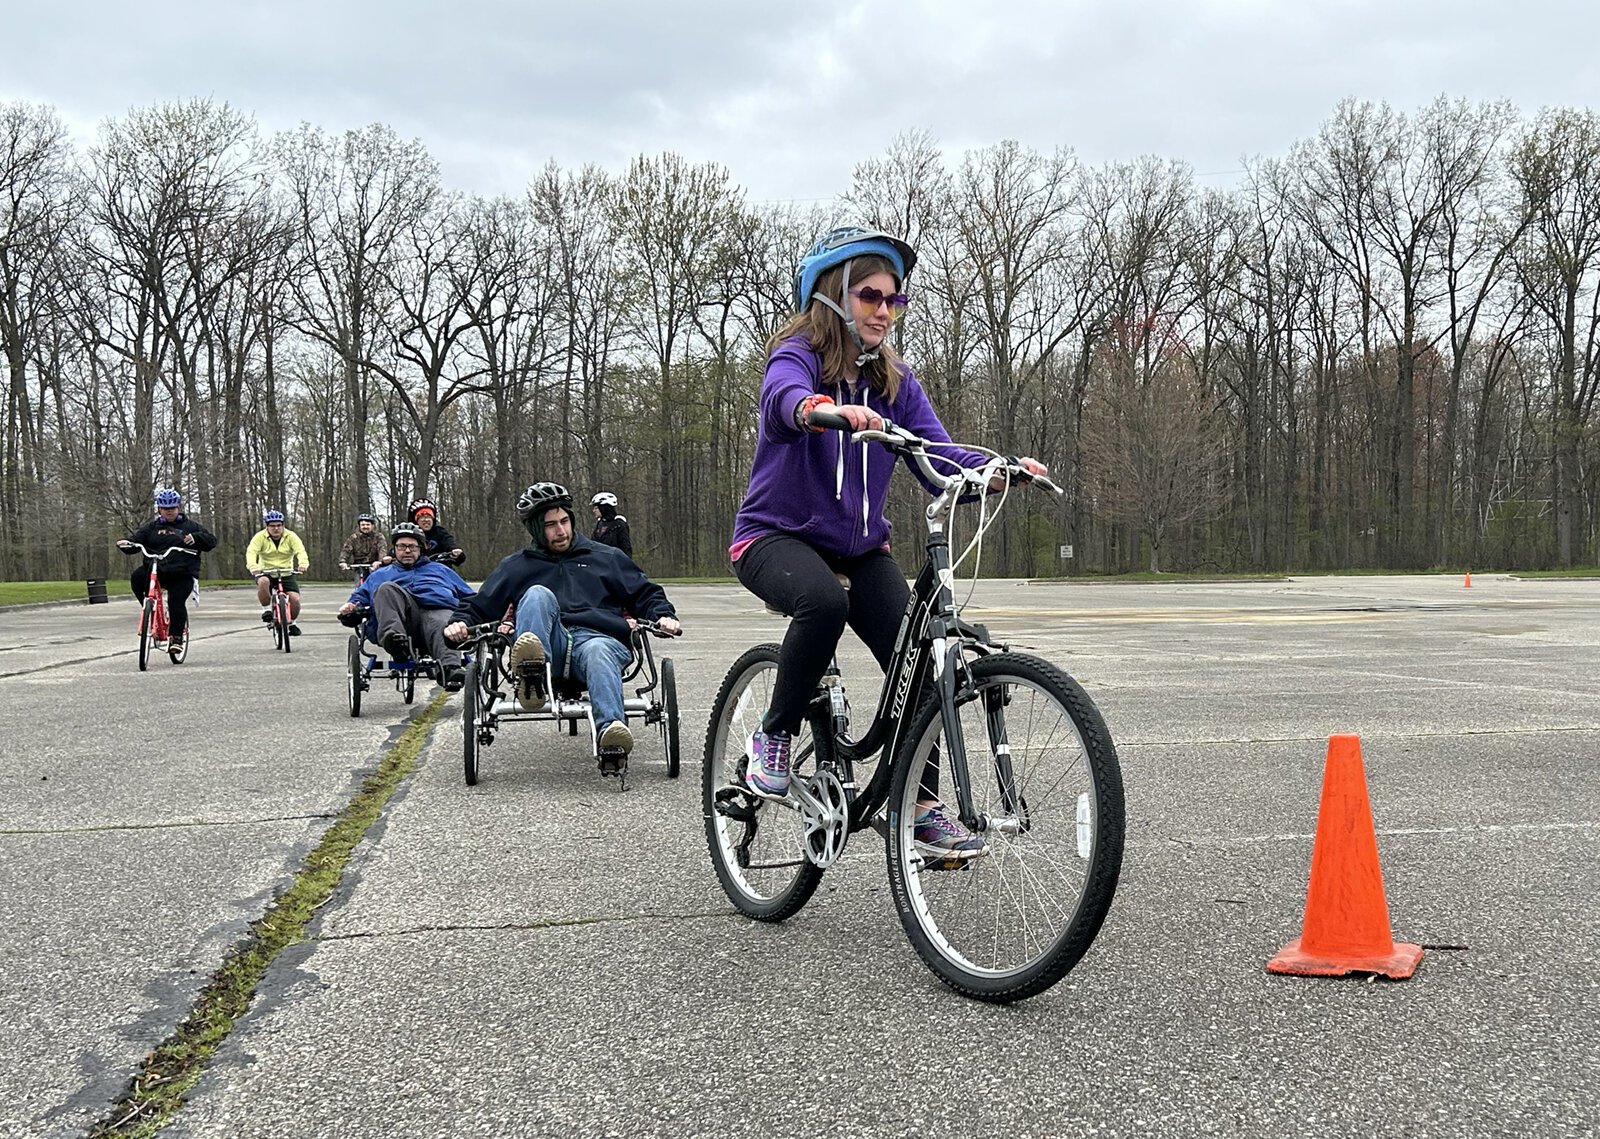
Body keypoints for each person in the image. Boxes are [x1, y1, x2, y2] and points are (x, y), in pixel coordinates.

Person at [728, 226, 1049, 861]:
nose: (884, 310)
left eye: (894, 300)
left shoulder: (894, 384)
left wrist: (999, 468)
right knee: (824, 604)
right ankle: (772, 738)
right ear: (833, 295)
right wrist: (817, 408)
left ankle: (918, 805)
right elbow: (780, 400)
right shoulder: (796, 355)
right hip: (773, 538)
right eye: (871, 295)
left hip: (861, 549)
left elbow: (935, 455)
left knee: (928, 653)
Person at [443, 482, 681, 772]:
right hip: (548, 646)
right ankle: (531, 676)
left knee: (598, 650)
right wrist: (459, 624)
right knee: (537, 594)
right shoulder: (517, 566)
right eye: (551, 525)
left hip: (598, 638)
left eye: (565, 521)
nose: (561, 531)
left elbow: (645, 593)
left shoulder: (606, 557)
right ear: (534, 529)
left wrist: (663, 615)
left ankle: (611, 735)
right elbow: (480, 604)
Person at [339, 522, 474, 691]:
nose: (407, 551)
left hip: (438, 614)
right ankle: (395, 642)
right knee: (386, 589)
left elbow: (471, 598)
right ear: (394, 549)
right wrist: (350, 608)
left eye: (412, 546)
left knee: (443, 619)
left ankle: (450, 669)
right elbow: (359, 598)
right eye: (402, 546)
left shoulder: (441, 570)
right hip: (403, 623)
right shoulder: (381, 574)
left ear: (422, 548)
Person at [117, 488, 217, 645]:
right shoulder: (151, 528)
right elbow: (136, 542)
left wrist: (196, 538)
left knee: (176, 601)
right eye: (165, 509)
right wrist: (126, 544)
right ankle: (149, 607)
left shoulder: (191, 527)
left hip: (181, 572)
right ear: (159, 509)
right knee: (137, 578)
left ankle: (176, 638)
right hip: (156, 569)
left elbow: (211, 541)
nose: (169, 512)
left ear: (178, 508)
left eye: (172, 508)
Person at [246, 509, 311, 635]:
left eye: (278, 525)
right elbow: (251, 552)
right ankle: (266, 610)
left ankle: (292, 622)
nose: (276, 528)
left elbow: (300, 551)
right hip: (266, 571)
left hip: (286, 572)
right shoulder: (259, 537)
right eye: (272, 526)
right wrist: (253, 567)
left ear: (283, 525)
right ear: (267, 526)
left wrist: (303, 564)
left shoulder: (291, 536)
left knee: (295, 599)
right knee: (263, 581)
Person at [407, 498, 463, 565]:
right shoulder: (409, 534)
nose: (426, 520)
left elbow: (448, 541)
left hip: (439, 570)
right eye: (422, 517)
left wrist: (455, 550)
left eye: (429, 516)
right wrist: (391, 556)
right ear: (415, 520)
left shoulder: (440, 532)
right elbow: (399, 548)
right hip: (415, 570)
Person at [338, 513, 385, 578]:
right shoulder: (353, 538)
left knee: (375, 584)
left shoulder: (378, 537)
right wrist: (343, 562)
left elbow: (382, 549)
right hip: (359, 566)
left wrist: (380, 561)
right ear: (359, 526)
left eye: (368, 525)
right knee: (359, 584)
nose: (365, 527)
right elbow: (346, 551)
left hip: (374, 566)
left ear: (372, 526)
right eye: (363, 525)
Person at [589, 492, 633, 557]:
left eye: (596, 508)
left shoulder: (619, 525)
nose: (594, 511)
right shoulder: (599, 525)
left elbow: (626, 549)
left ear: (603, 508)